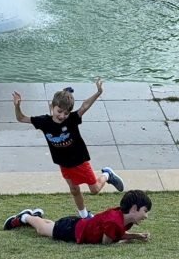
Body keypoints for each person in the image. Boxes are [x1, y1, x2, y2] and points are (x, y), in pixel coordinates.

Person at [12, 79, 125, 219]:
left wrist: (98, 92)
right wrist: (17, 106)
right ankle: (84, 215)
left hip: (79, 161)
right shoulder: (43, 122)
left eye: (66, 113)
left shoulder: (71, 119)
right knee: (74, 189)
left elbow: (84, 106)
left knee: (94, 189)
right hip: (63, 163)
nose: (62, 116)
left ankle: (107, 174)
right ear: (52, 106)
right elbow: (21, 118)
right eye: (59, 111)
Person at [3, 190, 152, 245]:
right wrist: (128, 240)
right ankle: (25, 217)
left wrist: (136, 236)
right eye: (145, 211)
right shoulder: (115, 221)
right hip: (72, 230)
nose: (146, 216)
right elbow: (107, 242)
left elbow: (116, 233)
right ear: (134, 208)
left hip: (76, 225)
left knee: (50, 226)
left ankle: (34, 216)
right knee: (42, 230)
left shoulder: (121, 218)